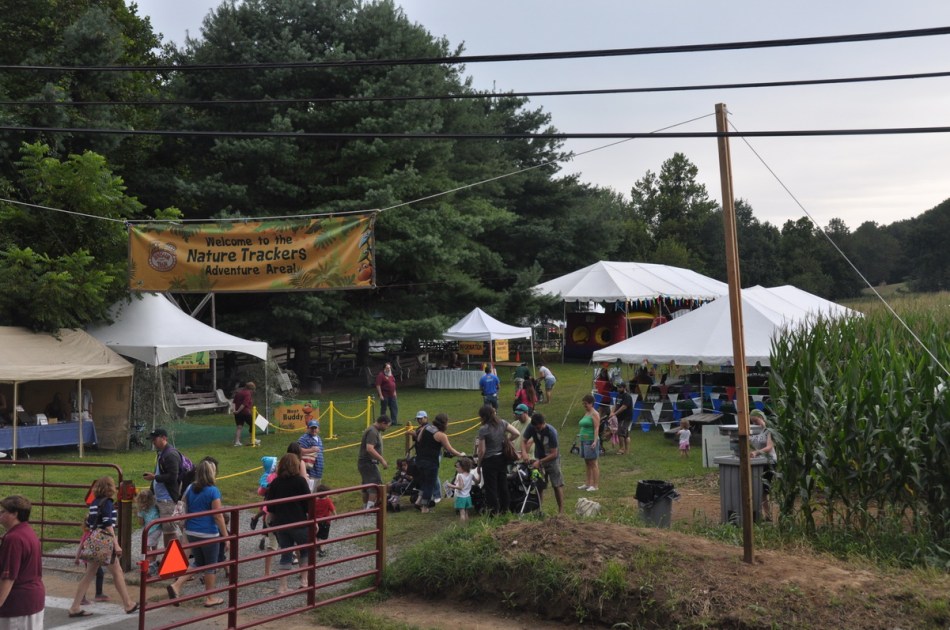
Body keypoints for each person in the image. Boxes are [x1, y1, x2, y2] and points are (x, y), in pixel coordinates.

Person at [68, 477, 138, 617]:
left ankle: (75, 606)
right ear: (110, 488)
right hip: (105, 542)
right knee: (117, 572)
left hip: (95, 541)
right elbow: (108, 525)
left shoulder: (94, 503)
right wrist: (116, 544)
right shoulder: (107, 503)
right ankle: (128, 604)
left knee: (89, 575)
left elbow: (90, 523)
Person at [166, 460, 228, 608]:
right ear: (211, 473)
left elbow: (183, 504)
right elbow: (218, 516)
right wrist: (226, 537)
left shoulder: (190, 488)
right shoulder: (213, 491)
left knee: (198, 563)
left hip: (191, 531)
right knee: (211, 565)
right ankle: (209, 597)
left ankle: (177, 585)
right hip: (208, 533)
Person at [264, 453, 312, 594]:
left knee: (286, 552)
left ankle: (282, 586)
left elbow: (270, 506)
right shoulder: (300, 481)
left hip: (281, 524)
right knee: (305, 551)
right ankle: (304, 581)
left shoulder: (275, 483)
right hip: (298, 522)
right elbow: (307, 504)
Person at [0, 495, 45, 629]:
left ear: (15, 514)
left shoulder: (13, 538)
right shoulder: (28, 531)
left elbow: (9, 576)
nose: (0, 514)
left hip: (17, 606)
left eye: (3, 511)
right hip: (33, 601)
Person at [413, 412, 464, 513]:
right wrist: (460, 454)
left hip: (419, 460)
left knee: (423, 482)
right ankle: (424, 507)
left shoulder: (426, 428)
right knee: (429, 484)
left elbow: (418, 439)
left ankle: (418, 502)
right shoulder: (441, 435)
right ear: (444, 423)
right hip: (431, 462)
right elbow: (449, 449)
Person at [476, 405, 521, 516]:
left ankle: (493, 512)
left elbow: (482, 450)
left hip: (489, 460)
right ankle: (505, 510)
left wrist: (478, 464)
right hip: (501, 458)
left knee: (491, 488)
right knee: (503, 485)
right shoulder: (502, 423)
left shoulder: (483, 429)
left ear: (483, 417)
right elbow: (517, 433)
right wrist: (506, 441)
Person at [142, 428, 182, 547]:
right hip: (161, 498)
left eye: (155, 438)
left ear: (164, 438)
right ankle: (168, 557)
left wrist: (155, 477)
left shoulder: (170, 455)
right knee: (167, 531)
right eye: (152, 439)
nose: (153, 441)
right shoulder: (161, 453)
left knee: (170, 531)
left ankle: (174, 559)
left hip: (168, 499)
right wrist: (151, 490)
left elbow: (173, 476)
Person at [521, 412, 565, 514]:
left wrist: (540, 462)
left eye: (539, 428)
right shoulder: (531, 427)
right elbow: (524, 440)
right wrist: (524, 453)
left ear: (543, 423)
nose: (537, 430)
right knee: (538, 485)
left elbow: (554, 453)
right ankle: (539, 510)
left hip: (552, 461)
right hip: (538, 458)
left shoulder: (551, 432)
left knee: (557, 485)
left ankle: (561, 512)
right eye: (535, 428)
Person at [357, 415, 391, 509]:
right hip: (368, 463)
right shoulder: (372, 431)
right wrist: (382, 460)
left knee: (366, 486)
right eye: (387, 425)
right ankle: (369, 509)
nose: (387, 428)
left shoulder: (374, 430)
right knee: (375, 486)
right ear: (382, 423)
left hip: (365, 463)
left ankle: (365, 508)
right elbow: (370, 448)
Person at [749, 410, 778, 520]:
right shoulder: (754, 431)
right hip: (758, 462)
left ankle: (768, 516)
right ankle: (760, 514)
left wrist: (757, 452)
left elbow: (769, 447)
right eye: (753, 422)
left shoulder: (768, 430)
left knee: (763, 490)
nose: (755, 424)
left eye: (756, 421)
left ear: (761, 417)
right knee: (757, 489)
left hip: (769, 462)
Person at [578, 394, 601, 492]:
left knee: (593, 463)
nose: (585, 406)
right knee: (587, 462)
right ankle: (588, 483)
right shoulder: (587, 413)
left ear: (591, 404)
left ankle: (595, 485)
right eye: (583, 404)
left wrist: (595, 441)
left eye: (586, 404)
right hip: (584, 440)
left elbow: (596, 428)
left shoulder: (594, 414)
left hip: (591, 440)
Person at [135, 489, 161, 577]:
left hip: (150, 530)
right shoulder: (155, 506)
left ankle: (149, 566)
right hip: (157, 529)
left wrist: (140, 515)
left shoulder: (141, 510)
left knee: (146, 547)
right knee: (154, 546)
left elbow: (140, 522)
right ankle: (153, 562)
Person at [608, 381, 634, 455]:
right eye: (618, 387)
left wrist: (615, 413)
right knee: (626, 434)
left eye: (620, 387)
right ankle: (627, 451)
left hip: (626, 417)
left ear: (624, 388)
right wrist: (611, 413)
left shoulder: (627, 396)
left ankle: (621, 449)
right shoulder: (618, 395)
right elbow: (615, 405)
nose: (618, 389)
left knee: (620, 432)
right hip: (619, 417)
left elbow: (624, 407)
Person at [445, 458, 475, 523]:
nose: (456, 469)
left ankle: (462, 528)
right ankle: (467, 526)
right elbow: (477, 481)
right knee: (466, 513)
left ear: (463, 467)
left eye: (458, 467)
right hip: (468, 497)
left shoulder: (460, 475)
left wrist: (450, 485)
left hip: (461, 497)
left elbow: (460, 487)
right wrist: (479, 474)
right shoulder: (471, 475)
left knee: (462, 513)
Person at [297, 419, 324, 490]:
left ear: (318, 429)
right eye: (312, 428)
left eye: (315, 428)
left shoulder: (319, 438)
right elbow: (298, 450)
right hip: (309, 472)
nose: (314, 430)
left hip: (318, 471)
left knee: (316, 492)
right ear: (308, 428)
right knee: (309, 492)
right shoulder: (304, 438)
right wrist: (311, 450)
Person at [313, 485, 336, 558]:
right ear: (326, 494)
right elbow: (332, 509)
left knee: (317, 534)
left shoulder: (315, 501)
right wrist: (336, 515)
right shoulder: (328, 501)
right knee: (323, 536)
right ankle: (322, 550)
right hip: (326, 522)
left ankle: (317, 545)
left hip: (316, 521)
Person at [232, 381, 256, 446]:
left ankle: (237, 442)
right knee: (253, 424)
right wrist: (238, 411)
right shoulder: (248, 394)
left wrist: (234, 410)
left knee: (239, 427)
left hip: (237, 413)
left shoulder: (239, 393)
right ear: (251, 389)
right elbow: (244, 404)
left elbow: (233, 402)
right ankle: (253, 439)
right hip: (245, 412)